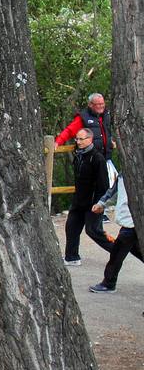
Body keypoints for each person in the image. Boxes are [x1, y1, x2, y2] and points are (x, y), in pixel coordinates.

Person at [65, 129, 116, 265]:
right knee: (71, 227)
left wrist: (100, 203)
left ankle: (117, 251)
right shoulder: (78, 155)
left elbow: (104, 185)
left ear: (90, 139)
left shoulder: (97, 158)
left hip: (93, 202)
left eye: (81, 139)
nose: (78, 142)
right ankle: (71, 257)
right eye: (77, 139)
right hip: (79, 200)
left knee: (93, 230)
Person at [89, 170, 141, 294]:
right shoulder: (124, 173)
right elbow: (114, 192)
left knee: (117, 253)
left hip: (131, 222)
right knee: (137, 250)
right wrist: (102, 204)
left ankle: (109, 283)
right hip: (128, 220)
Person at [55, 92, 111, 159]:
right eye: (98, 104)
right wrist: (57, 142)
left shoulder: (105, 115)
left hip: (105, 158)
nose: (101, 106)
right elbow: (69, 131)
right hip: (89, 159)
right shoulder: (83, 117)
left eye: (102, 103)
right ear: (90, 104)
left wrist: (110, 140)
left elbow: (107, 132)